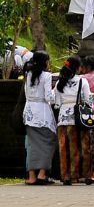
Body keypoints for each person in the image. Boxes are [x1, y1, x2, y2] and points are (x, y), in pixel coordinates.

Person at [55, 55, 92, 185]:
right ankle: (84, 175)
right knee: (83, 147)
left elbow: (56, 103)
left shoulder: (60, 82)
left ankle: (66, 175)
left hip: (63, 118)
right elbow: (88, 100)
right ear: (77, 68)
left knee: (64, 147)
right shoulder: (83, 81)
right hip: (79, 118)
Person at [22, 50, 56, 185]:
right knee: (48, 142)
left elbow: (26, 93)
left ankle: (31, 176)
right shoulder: (47, 76)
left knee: (31, 145)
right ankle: (42, 173)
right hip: (43, 113)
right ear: (45, 62)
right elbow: (49, 97)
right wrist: (56, 92)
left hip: (29, 112)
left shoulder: (28, 74)